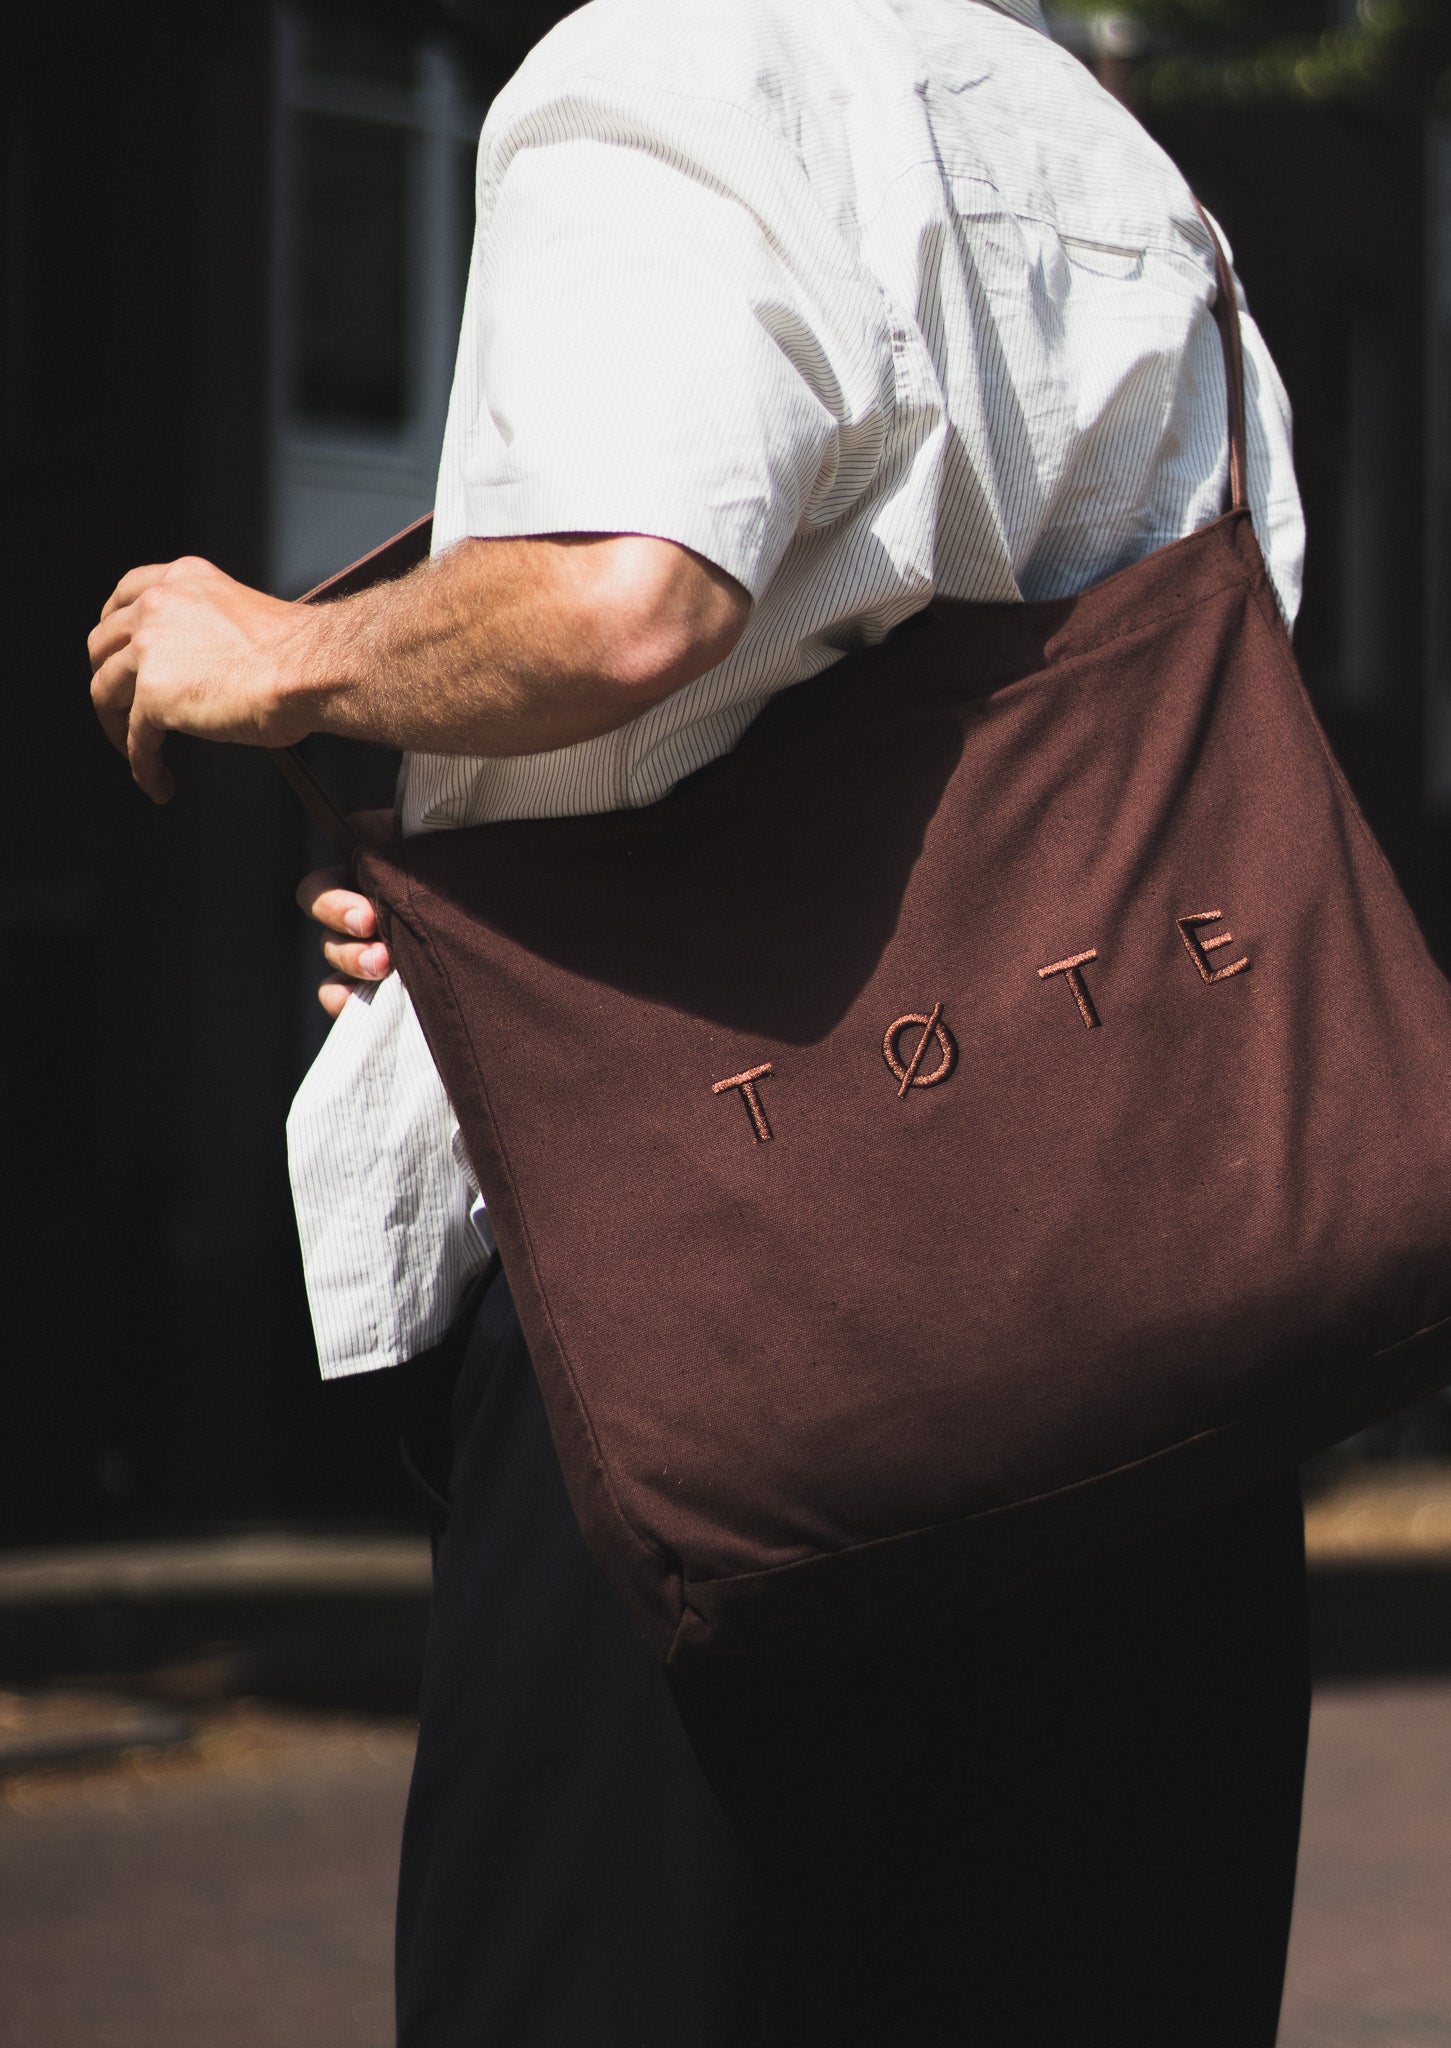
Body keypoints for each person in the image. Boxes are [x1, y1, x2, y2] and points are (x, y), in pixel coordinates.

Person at [89, 1, 1310, 2039]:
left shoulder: (667, 61)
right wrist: (550, 920)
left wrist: (282, 651)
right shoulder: (1106, 156)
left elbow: (631, 598)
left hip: (728, 1323)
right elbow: (1087, 734)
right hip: (1159, 1347)